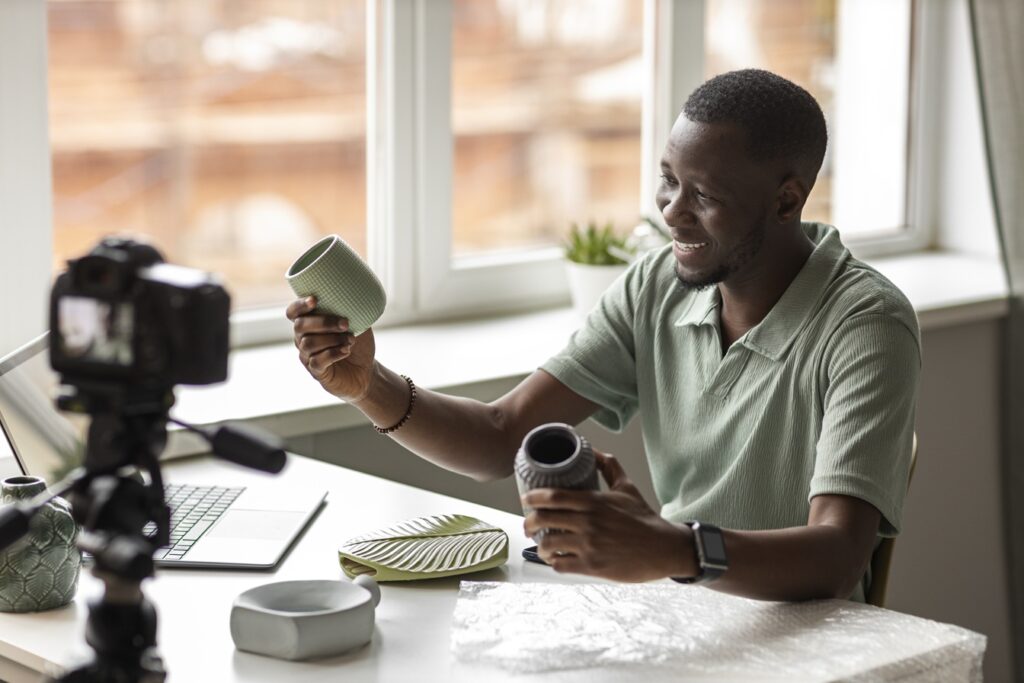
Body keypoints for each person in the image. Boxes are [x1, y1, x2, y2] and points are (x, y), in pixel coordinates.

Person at [286, 69, 920, 602]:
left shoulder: (865, 324)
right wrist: (366, 385)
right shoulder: (656, 287)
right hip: (682, 611)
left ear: (787, 201)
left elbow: (837, 555)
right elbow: (501, 438)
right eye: (669, 179)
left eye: (705, 194)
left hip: (811, 646)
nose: (671, 211)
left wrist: (673, 547)